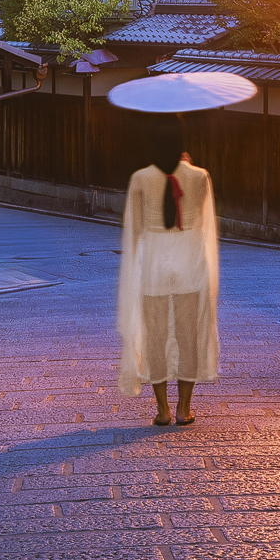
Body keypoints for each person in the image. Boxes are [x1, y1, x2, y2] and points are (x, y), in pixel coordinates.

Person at [117, 118, 219, 425]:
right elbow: (204, 224)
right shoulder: (200, 176)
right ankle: (183, 408)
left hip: (154, 264)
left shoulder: (140, 178)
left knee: (156, 335)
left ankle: (161, 409)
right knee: (189, 334)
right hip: (189, 260)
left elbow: (133, 230)